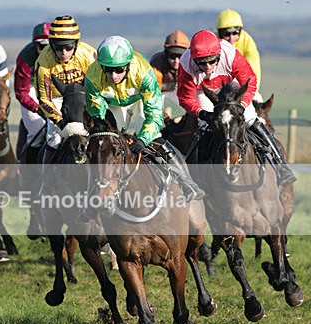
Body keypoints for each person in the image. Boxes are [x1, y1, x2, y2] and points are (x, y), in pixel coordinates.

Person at [85, 35, 204, 202]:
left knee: (154, 137)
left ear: (128, 65)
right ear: (101, 66)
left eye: (119, 70)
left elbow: (154, 112)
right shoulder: (92, 75)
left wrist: (143, 138)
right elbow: (97, 112)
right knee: (102, 145)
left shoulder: (143, 72)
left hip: (139, 103)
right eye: (108, 70)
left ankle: (187, 183)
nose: (113, 76)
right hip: (112, 106)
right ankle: (91, 195)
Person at [176, 30, 295, 185]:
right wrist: (202, 114)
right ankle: (199, 175)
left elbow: (250, 81)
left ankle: (281, 166)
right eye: (202, 62)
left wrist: (243, 105)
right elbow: (185, 98)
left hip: (231, 85)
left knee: (251, 118)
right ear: (194, 58)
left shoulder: (230, 54)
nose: (207, 67)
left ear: (219, 55)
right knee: (204, 126)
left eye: (212, 61)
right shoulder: (186, 64)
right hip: (204, 91)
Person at [35, 14, 96, 154]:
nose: (63, 53)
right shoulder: (43, 62)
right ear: (51, 45)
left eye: (68, 47)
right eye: (58, 48)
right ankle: (47, 174)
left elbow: (98, 87)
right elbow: (44, 100)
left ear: (76, 44)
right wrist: (61, 122)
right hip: (57, 99)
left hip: (83, 96)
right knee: (54, 138)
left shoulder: (89, 55)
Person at [14, 21, 50, 161]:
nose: (47, 51)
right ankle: (31, 170)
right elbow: (21, 92)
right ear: (35, 45)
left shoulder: (62, 52)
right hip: (32, 88)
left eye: (50, 46)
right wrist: (37, 108)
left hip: (54, 88)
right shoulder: (25, 58)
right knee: (38, 131)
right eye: (42, 46)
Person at [216, 9, 262, 91]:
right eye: (226, 34)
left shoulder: (247, 41)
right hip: (217, 83)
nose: (231, 38)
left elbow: (253, 68)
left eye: (235, 33)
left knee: (258, 99)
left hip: (241, 81)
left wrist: (252, 91)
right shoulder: (213, 41)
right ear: (219, 33)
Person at [150, 30, 190, 118]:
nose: (176, 61)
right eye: (172, 56)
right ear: (166, 54)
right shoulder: (157, 64)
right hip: (162, 94)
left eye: (180, 56)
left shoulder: (192, 63)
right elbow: (153, 95)